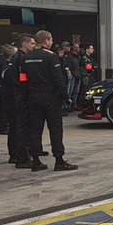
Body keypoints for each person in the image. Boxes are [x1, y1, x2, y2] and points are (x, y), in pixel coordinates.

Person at [22, 31, 77, 171]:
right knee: (55, 129)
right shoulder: (51, 56)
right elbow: (58, 80)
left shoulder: (26, 57)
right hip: (50, 97)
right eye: (51, 40)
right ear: (46, 41)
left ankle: (35, 161)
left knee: (35, 129)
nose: (52, 42)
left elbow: (23, 80)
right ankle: (59, 160)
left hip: (33, 97)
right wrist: (66, 97)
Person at [7, 34, 36, 167]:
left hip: (16, 96)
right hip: (21, 97)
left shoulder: (16, 57)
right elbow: (22, 80)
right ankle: (22, 157)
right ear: (24, 44)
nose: (34, 46)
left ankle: (16, 154)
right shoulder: (21, 58)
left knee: (16, 127)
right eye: (32, 43)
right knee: (22, 127)